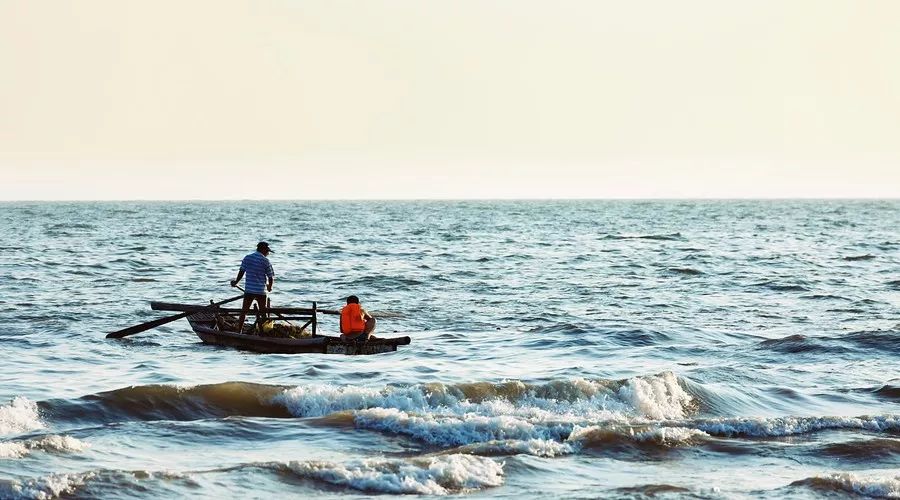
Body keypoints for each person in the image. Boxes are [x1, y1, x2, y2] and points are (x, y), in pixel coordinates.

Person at [230, 241, 275, 333]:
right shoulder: (266, 261)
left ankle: (239, 331)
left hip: (249, 290)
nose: (268, 253)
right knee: (263, 313)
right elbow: (271, 277)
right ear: (263, 250)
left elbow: (241, 272)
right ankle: (264, 332)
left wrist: (236, 282)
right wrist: (270, 287)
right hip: (261, 291)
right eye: (267, 251)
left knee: (244, 312)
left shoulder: (248, 258)